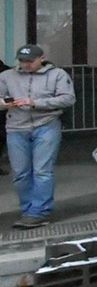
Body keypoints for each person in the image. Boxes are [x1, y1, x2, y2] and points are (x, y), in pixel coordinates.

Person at [2, 44, 76, 229]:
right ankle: (28, 210)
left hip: (46, 125)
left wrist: (35, 102)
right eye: (22, 61)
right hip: (16, 127)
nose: (25, 65)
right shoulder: (6, 76)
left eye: (30, 61)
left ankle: (38, 213)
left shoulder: (57, 75)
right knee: (20, 173)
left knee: (42, 171)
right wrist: (4, 104)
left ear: (42, 58)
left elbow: (68, 98)